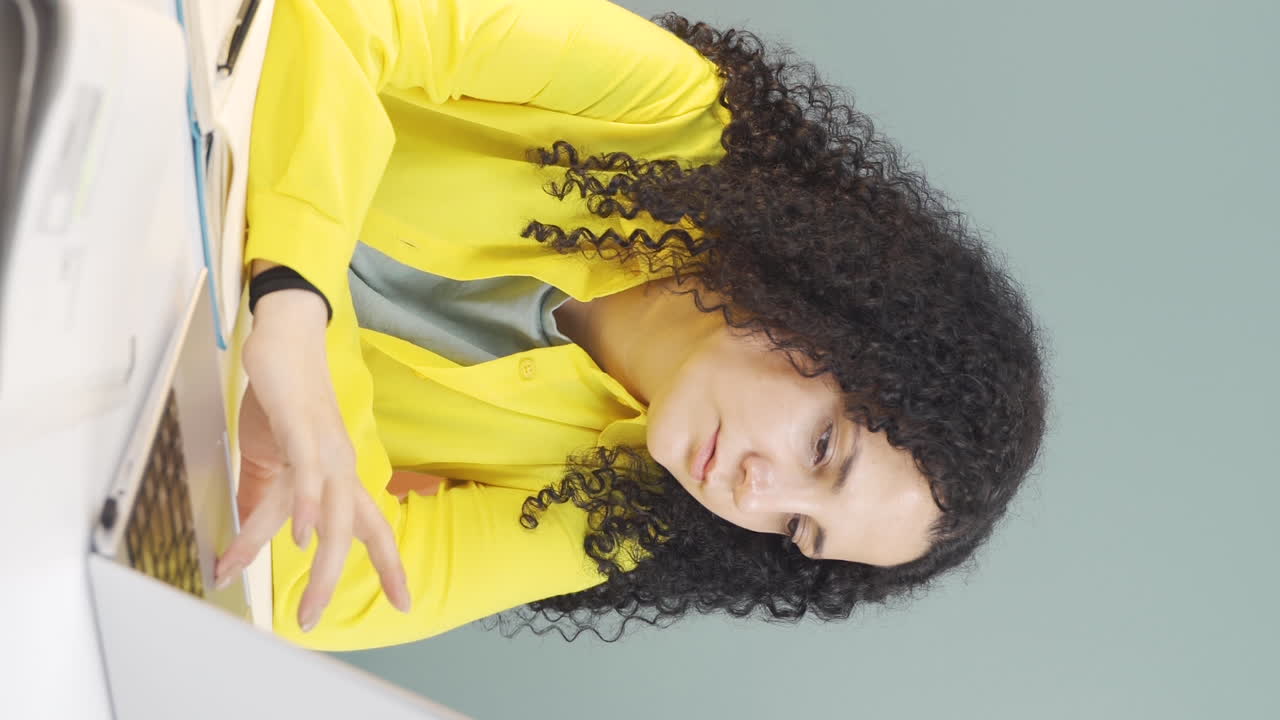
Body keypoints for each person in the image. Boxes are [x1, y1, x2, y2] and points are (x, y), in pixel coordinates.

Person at [213, 0, 1048, 651]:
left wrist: (301, 393)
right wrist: (293, 304)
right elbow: (360, 14)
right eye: (822, 448)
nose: (755, 495)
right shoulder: (674, 118)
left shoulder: (617, 512)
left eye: (798, 530)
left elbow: (322, 598)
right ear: (835, 320)